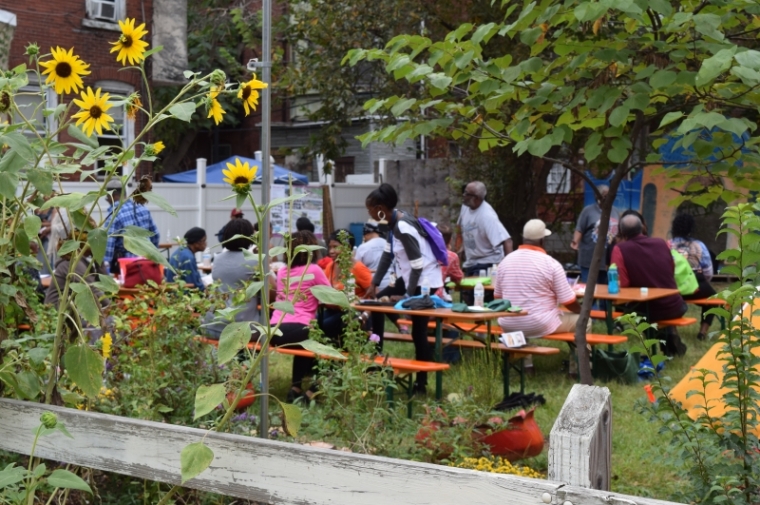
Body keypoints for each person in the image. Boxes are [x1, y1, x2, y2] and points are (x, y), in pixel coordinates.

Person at [365, 183, 443, 394]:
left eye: (371, 210)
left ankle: (421, 383)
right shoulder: (391, 224)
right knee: (376, 303)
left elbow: (417, 263)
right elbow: (387, 255)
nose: (370, 215)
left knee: (418, 332)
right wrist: (374, 284)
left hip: (423, 281)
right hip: (409, 278)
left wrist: (408, 295)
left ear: (381, 208)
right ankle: (376, 358)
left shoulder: (403, 227)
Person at [493, 219, 591, 375]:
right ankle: (578, 369)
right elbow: (568, 301)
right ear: (542, 240)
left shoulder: (505, 261)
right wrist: (583, 312)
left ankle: (527, 367)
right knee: (585, 322)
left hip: (509, 322)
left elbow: (498, 297)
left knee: (523, 320)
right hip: (539, 323)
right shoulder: (550, 264)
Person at [610, 214, 687, 356]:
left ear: (621, 232)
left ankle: (664, 342)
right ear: (643, 228)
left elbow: (623, 283)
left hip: (647, 310)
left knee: (634, 312)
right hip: (676, 305)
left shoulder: (620, 249)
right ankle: (670, 336)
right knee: (653, 312)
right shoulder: (661, 243)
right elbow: (671, 269)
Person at [269, 230, 331, 402]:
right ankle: (314, 389)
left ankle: (295, 388)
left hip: (275, 328)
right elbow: (331, 297)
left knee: (305, 345)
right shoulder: (314, 270)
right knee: (330, 341)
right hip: (299, 326)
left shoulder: (283, 270)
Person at [457, 181, 511, 304]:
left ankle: (482, 321)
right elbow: (461, 228)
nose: (463, 195)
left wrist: (507, 268)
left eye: (466, 193)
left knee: (476, 301)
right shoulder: (465, 206)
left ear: (476, 198)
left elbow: (507, 240)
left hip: (486, 263)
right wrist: (460, 250)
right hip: (471, 262)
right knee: (468, 298)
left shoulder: (487, 216)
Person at [205, 218, 259, 339]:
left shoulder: (217, 259)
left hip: (212, 325)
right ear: (250, 237)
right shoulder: (254, 260)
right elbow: (270, 291)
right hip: (241, 328)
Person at [320, 229, 373, 342]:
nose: (331, 251)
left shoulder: (359, 268)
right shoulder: (330, 266)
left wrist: (362, 317)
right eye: (330, 247)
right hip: (333, 310)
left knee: (322, 327)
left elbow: (374, 298)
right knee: (311, 324)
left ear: (348, 247)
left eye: (336, 247)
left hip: (352, 313)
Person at [670, 213, 717, 340]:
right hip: (695, 287)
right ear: (691, 228)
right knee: (713, 299)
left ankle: (673, 331)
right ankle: (702, 332)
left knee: (666, 304)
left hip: (671, 289)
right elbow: (708, 272)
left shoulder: (667, 245)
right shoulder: (699, 246)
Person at [103, 179, 159, 274]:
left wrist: (106, 271)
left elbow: (108, 247)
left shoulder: (113, 215)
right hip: (148, 264)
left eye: (107, 197)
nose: (107, 200)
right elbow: (155, 235)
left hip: (127, 267)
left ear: (112, 196)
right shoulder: (143, 208)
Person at [570, 185, 620, 284]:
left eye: (611, 195)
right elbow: (580, 229)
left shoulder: (615, 211)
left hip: (608, 261)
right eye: (605, 195)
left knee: (607, 293)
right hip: (590, 260)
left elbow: (619, 232)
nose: (609, 198)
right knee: (590, 290)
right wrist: (575, 241)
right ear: (598, 196)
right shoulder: (588, 211)